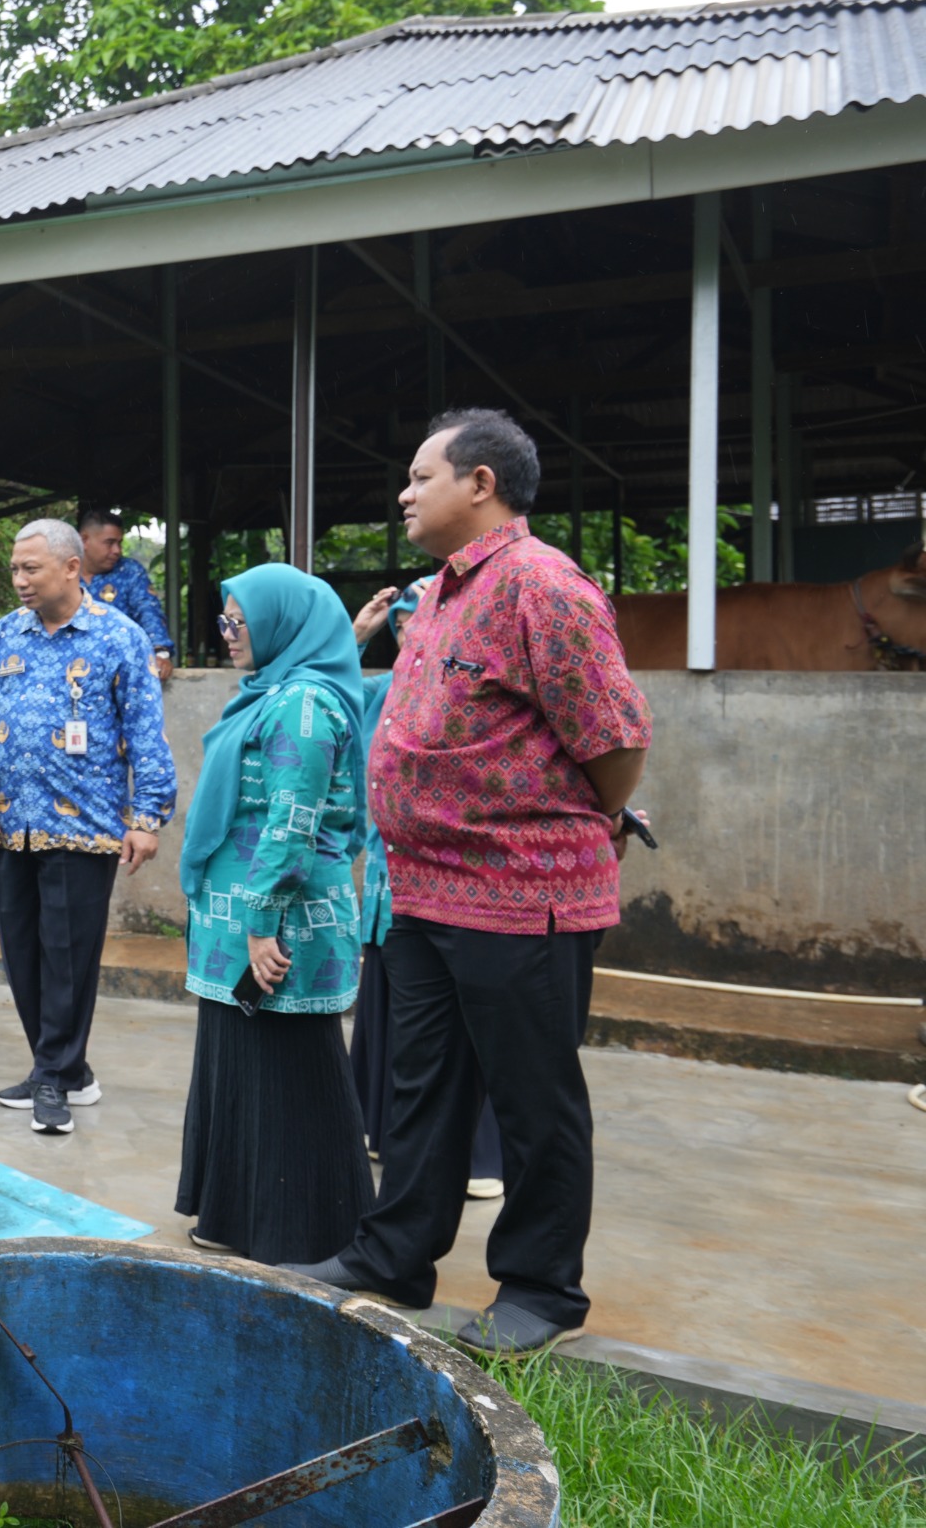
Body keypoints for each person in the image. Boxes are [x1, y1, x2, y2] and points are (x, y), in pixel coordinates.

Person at [285, 409, 652, 1360]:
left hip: (521, 891)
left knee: (533, 1100)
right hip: (427, 890)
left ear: (480, 484)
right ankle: (393, 1256)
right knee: (422, 1091)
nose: (403, 493)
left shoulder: (543, 585)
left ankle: (538, 1289)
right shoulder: (443, 592)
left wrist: (581, 821)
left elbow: (616, 742)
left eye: (419, 476)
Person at [0, 518, 177, 1136]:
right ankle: (65, 1068)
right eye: (15, 570)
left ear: (72, 568)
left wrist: (147, 816)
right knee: (23, 954)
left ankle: (52, 1076)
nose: (19, 581)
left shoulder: (119, 637)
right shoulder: (1, 638)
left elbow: (144, 734)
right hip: (9, 825)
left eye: (31, 569)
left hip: (87, 828)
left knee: (69, 956)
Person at [173, 564, 372, 1264]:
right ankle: (235, 1213)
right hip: (239, 918)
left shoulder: (304, 705)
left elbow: (292, 824)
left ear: (283, 622)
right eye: (223, 622)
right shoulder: (269, 694)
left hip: (279, 920)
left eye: (239, 622)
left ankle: (302, 1225)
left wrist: (261, 921)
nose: (228, 636)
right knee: (240, 1063)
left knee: (288, 1070)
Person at [350, 579, 506, 1202]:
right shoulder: (380, 692)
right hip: (388, 890)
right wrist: (354, 636)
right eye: (403, 626)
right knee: (394, 1015)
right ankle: (386, 1135)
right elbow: (320, 682)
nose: (412, 635)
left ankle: (480, 1156)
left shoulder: (475, 691)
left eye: (425, 621)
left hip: (463, 891)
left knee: (467, 1028)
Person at [77, 506, 175, 680]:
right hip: (74, 668)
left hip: (122, 670)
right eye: (109, 542)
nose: (117, 550)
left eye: (119, 543)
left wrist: (160, 653)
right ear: (84, 540)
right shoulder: (63, 573)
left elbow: (148, 610)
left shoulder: (129, 571)